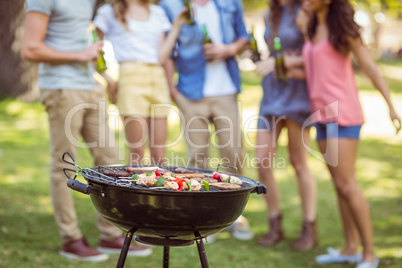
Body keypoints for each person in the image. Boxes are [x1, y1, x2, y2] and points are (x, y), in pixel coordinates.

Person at [21, 0, 151, 262]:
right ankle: (71, 239)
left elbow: (81, 38)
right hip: (62, 87)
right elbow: (30, 49)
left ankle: (110, 233)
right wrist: (79, 55)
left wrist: (106, 78)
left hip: (90, 85)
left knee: (110, 161)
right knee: (65, 164)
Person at [301, 0, 401, 267]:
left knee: (347, 184)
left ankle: (370, 254)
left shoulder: (343, 29)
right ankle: (350, 248)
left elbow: (369, 66)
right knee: (339, 185)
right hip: (320, 116)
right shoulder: (312, 27)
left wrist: (391, 105)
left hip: (343, 115)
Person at [159, 0, 253, 241]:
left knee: (234, 155)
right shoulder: (171, 6)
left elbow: (244, 36)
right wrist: (173, 91)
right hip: (190, 92)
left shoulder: (230, 3)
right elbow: (168, 52)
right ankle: (201, 218)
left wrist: (229, 50)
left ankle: (233, 216)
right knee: (197, 159)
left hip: (226, 90)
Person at [254, 0, 317, 251]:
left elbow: (316, 54)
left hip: (297, 94)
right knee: (262, 161)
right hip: (271, 94)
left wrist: (284, 62)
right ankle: (275, 223)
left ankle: (309, 226)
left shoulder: (306, 11)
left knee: (299, 163)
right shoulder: (271, 12)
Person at [93, 0, 186, 166]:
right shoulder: (109, 11)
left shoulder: (157, 12)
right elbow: (94, 45)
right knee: (137, 153)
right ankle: (134, 192)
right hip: (130, 79)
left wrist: (177, 26)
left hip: (158, 78)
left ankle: (158, 192)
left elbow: (162, 57)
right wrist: (106, 77)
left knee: (159, 154)